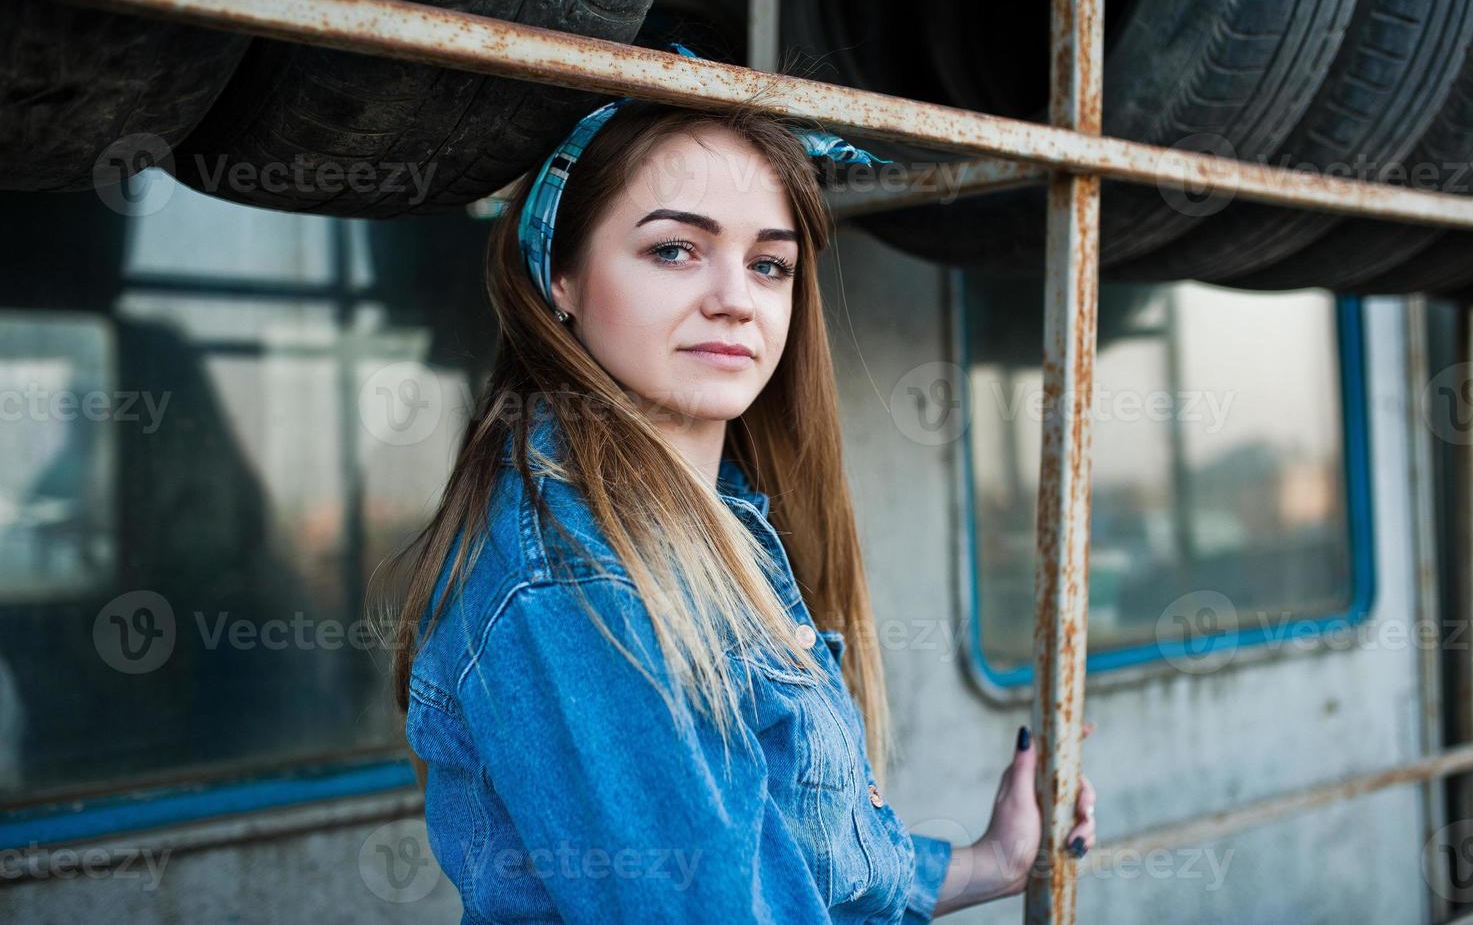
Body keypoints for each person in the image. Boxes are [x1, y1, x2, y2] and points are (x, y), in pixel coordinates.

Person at [383, 52, 1097, 922]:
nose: (735, 300)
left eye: (769, 265)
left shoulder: (711, 519)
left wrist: (993, 860)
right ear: (558, 277)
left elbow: (794, 864)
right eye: (675, 249)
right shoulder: (578, 582)